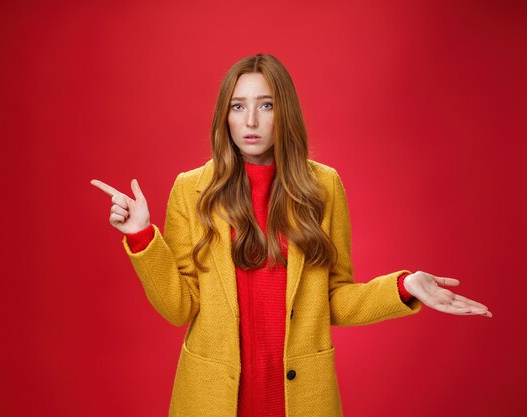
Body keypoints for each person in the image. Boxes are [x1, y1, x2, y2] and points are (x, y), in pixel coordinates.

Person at [90, 53, 492, 417]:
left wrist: (405, 286)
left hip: (302, 402)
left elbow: (332, 300)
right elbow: (179, 307)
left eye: (265, 106)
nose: (250, 121)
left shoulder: (324, 187)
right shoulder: (191, 189)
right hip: (211, 401)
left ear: (285, 113)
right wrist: (142, 236)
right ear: (224, 116)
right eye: (238, 107)